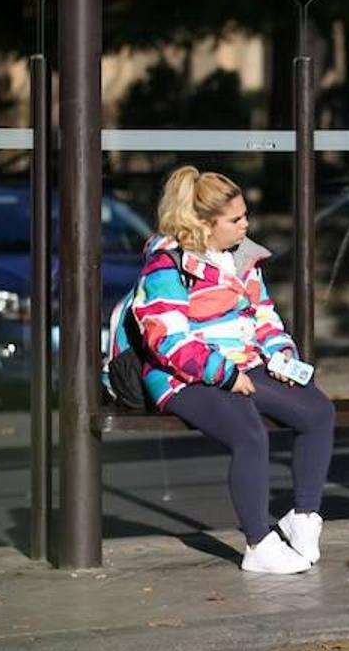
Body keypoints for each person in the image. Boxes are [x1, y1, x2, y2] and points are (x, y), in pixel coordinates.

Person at [134, 166, 335, 575]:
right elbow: (167, 340)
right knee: (249, 434)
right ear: (204, 224)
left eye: (245, 216)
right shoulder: (167, 266)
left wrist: (279, 354)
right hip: (183, 376)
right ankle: (258, 542)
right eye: (236, 219)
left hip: (243, 362)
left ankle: (303, 516)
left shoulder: (241, 259)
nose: (247, 225)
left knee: (318, 411)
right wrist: (224, 374)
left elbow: (263, 315)